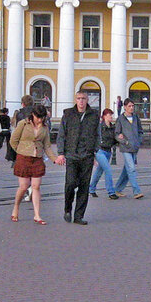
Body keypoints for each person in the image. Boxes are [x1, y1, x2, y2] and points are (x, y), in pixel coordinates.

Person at [9, 104, 65, 224]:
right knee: (24, 187)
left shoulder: (45, 127)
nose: (40, 119)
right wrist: (21, 151)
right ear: (33, 115)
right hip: (23, 158)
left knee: (36, 186)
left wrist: (54, 159)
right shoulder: (23, 124)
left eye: (42, 117)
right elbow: (13, 140)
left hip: (37, 159)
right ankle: (16, 207)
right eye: (38, 117)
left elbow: (47, 146)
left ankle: (37, 215)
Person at [58, 91, 99, 225]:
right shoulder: (68, 114)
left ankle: (79, 216)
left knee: (84, 186)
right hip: (71, 154)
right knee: (70, 183)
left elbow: (98, 135)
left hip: (87, 155)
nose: (81, 101)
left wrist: (94, 152)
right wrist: (61, 153)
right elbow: (62, 134)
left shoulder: (94, 115)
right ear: (75, 100)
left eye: (83, 99)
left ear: (88, 100)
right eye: (79, 98)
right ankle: (67, 208)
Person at [113, 99, 144, 198]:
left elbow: (140, 131)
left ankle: (117, 189)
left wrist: (139, 141)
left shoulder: (136, 117)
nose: (132, 108)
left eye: (133, 106)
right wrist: (124, 141)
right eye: (130, 106)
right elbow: (117, 134)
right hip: (125, 148)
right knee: (131, 168)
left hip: (134, 147)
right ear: (125, 107)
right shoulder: (120, 119)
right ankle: (136, 191)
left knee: (127, 170)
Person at [89, 108, 119, 199]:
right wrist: (93, 153)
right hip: (100, 151)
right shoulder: (99, 127)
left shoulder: (112, 127)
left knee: (99, 171)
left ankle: (91, 189)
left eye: (111, 115)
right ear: (105, 116)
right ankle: (111, 192)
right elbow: (93, 138)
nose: (111, 117)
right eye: (110, 115)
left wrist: (120, 139)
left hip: (108, 151)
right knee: (108, 170)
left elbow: (115, 139)